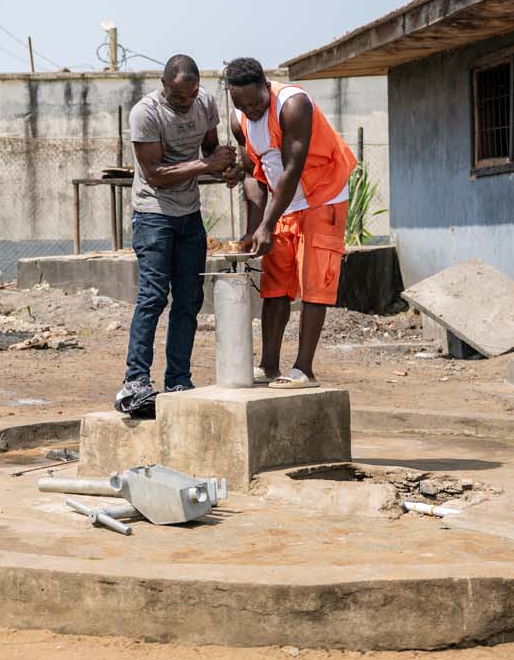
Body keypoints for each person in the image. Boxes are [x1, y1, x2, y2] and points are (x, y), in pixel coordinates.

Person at [115, 55, 238, 417]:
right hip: (153, 214)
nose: (187, 103)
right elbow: (153, 173)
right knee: (153, 296)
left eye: (193, 95)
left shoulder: (205, 104)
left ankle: (178, 381)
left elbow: (210, 151)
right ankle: (135, 381)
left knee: (189, 299)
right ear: (165, 85)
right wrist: (206, 166)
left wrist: (227, 169)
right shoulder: (146, 113)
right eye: (180, 97)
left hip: (189, 215)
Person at [223, 57, 357, 388]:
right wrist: (255, 227)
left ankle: (304, 369)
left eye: (256, 102)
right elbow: (254, 174)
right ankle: (269, 365)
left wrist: (267, 224)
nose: (252, 110)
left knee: (314, 282)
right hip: (284, 204)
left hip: (322, 195)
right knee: (275, 285)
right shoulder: (238, 119)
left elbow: (291, 169)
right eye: (244, 105)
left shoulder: (293, 104)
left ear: (266, 86)